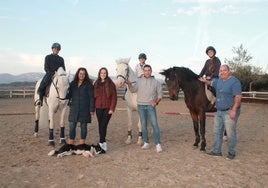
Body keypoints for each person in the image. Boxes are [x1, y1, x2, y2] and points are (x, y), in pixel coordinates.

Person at [199, 65, 242, 160]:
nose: (222, 72)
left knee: (230, 133)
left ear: (229, 71)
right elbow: (211, 83)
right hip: (219, 111)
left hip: (230, 110)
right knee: (217, 132)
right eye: (221, 71)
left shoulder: (234, 82)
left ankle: (231, 153)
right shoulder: (219, 81)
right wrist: (204, 81)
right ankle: (217, 151)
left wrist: (234, 110)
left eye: (224, 70)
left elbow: (238, 97)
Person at [126, 64, 163, 153]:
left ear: (151, 71)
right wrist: (130, 84)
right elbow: (133, 90)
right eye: (145, 70)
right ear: (143, 71)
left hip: (150, 106)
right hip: (141, 105)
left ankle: (158, 144)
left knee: (154, 124)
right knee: (143, 125)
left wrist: (156, 102)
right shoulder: (139, 81)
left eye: (148, 70)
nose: (147, 72)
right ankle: (146, 142)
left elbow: (160, 94)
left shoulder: (156, 82)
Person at [68, 67, 95, 145]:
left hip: (85, 109)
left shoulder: (89, 84)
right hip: (74, 108)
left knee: (83, 127)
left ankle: (82, 144)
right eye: (80, 73)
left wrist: (92, 109)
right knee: (72, 126)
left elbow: (91, 98)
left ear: (85, 75)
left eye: (83, 74)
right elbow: (69, 95)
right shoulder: (73, 84)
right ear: (78, 74)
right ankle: (71, 144)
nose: (82, 75)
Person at [94, 67, 117, 152]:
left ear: (106, 74)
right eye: (101, 73)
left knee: (103, 125)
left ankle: (102, 143)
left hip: (107, 108)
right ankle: (103, 143)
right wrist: (93, 108)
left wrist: (112, 108)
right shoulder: (96, 83)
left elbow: (114, 97)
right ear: (99, 74)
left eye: (104, 73)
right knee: (100, 125)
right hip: (98, 108)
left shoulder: (111, 84)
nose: (103, 74)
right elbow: (93, 97)